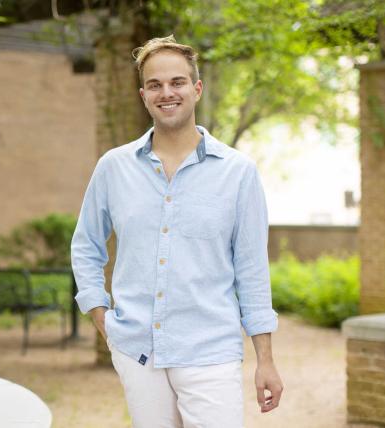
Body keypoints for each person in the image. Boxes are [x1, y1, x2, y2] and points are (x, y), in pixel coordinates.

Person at [71, 35, 283, 428]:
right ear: (143, 94)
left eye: (177, 82)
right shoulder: (113, 168)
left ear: (196, 88)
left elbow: (252, 269)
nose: (166, 93)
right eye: (155, 85)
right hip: (138, 352)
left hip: (210, 352)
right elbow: (85, 246)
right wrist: (100, 315)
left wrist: (265, 360)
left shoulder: (237, 173)